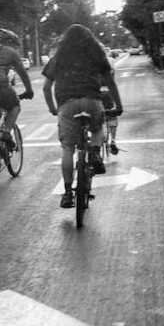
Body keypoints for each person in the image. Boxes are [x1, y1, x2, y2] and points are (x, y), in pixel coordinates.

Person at [42, 24, 123, 208]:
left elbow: (46, 87)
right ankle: (95, 153)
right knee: (96, 129)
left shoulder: (57, 58)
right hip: (91, 101)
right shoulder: (96, 56)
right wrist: (118, 105)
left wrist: (53, 108)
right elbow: (110, 83)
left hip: (66, 104)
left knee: (68, 148)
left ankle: (68, 193)